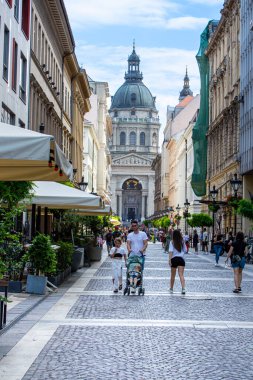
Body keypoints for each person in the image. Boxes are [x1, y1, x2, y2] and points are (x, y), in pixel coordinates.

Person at [168, 229, 187, 294]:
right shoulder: (182, 241)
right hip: (181, 259)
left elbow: (171, 251)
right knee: (181, 274)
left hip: (174, 259)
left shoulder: (172, 242)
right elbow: (185, 250)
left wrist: (169, 260)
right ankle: (183, 288)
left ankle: (171, 288)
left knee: (173, 275)